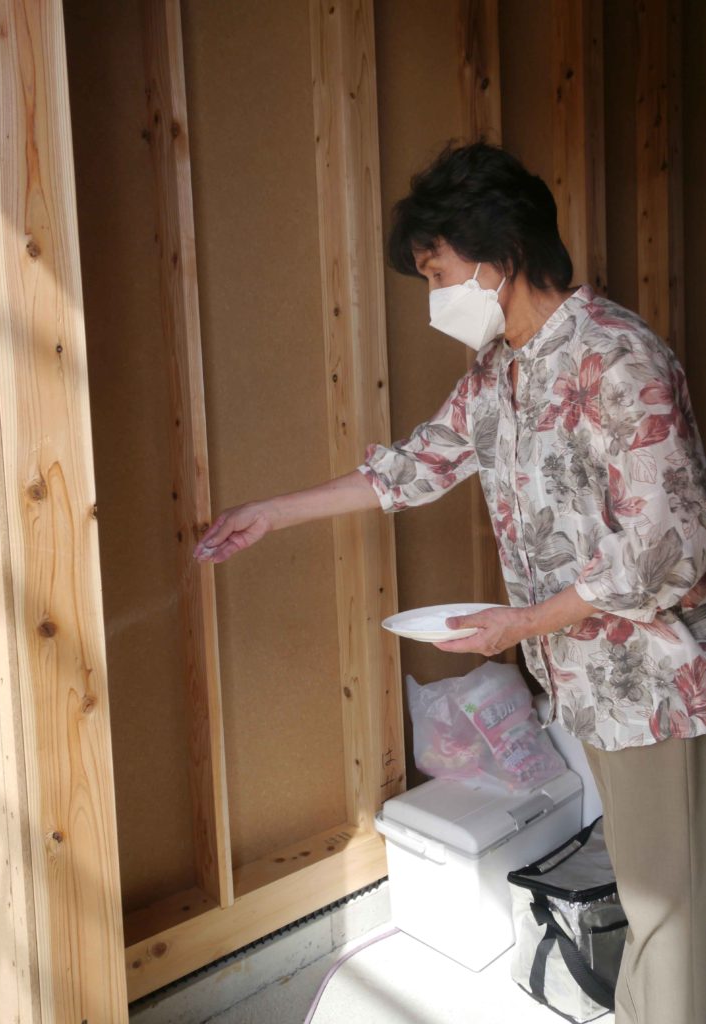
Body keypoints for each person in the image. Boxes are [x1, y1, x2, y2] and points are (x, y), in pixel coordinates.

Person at [194, 142, 706, 1024]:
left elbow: (671, 550)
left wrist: (522, 623)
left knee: (668, 907)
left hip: (649, 681)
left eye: (437, 273)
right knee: (643, 887)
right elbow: (412, 467)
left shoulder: (618, 359)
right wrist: (270, 512)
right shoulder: (499, 372)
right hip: (579, 677)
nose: (434, 296)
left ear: (498, 255)